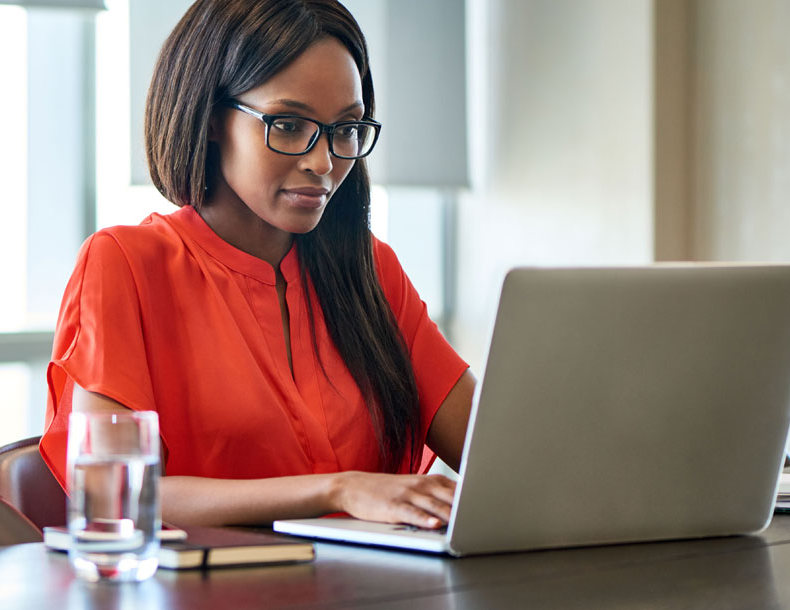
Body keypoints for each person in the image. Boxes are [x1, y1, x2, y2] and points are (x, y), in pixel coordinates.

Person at [39, 0, 474, 529]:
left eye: (346, 128)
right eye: (289, 125)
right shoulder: (125, 264)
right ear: (213, 117)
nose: (323, 163)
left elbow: (496, 451)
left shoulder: (371, 269)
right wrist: (338, 489)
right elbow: (113, 496)